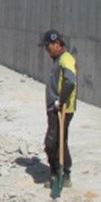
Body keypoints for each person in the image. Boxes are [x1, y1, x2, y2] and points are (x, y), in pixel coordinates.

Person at [38, 29, 77, 188]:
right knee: (60, 141)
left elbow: (70, 81)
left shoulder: (66, 59)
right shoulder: (58, 59)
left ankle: (59, 174)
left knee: (52, 142)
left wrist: (60, 101)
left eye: (48, 46)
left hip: (61, 109)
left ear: (56, 43)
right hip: (56, 108)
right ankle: (62, 174)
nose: (46, 50)